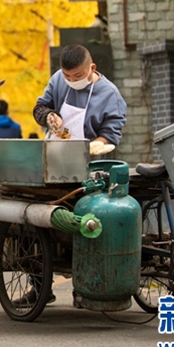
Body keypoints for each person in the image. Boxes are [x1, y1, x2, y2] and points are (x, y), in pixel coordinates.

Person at [23, 43, 126, 308]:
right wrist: (49, 117)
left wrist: (94, 147)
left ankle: (85, 286)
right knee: (35, 220)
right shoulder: (58, 80)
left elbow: (111, 134)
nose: (71, 80)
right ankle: (39, 286)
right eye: (67, 76)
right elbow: (40, 107)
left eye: (77, 76)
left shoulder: (110, 94)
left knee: (85, 226)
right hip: (53, 165)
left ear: (92, 68)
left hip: (90, 172)